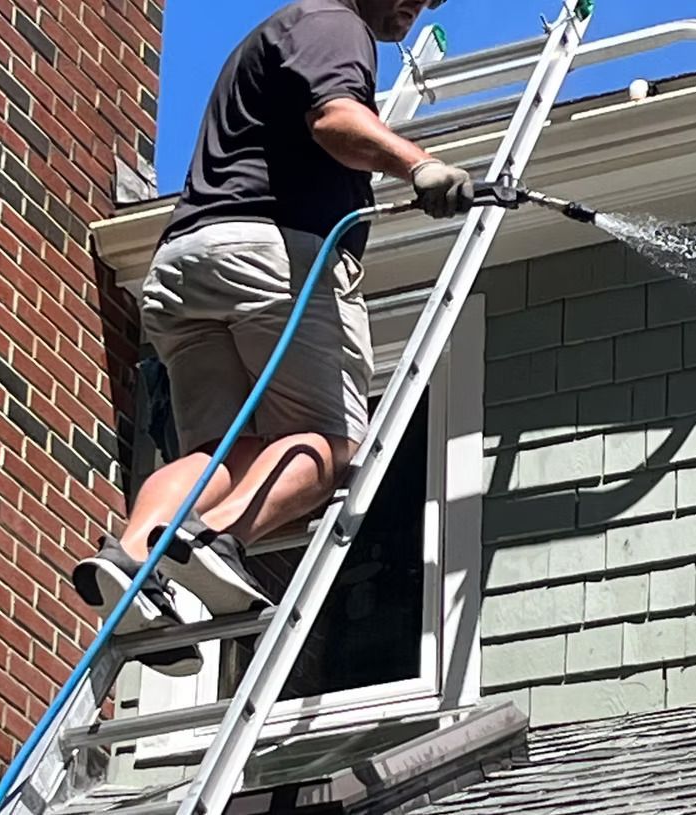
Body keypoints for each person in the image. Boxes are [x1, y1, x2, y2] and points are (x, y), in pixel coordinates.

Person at [73, 0, 476, 676]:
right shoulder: (334, 24)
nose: (419, 3)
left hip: (185, 266)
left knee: (226, 451)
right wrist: (419, 165)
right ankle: (218, 539)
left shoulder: (277, 33)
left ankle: (135, 553)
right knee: (335, 443)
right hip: (271, 260)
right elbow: (336, 119)